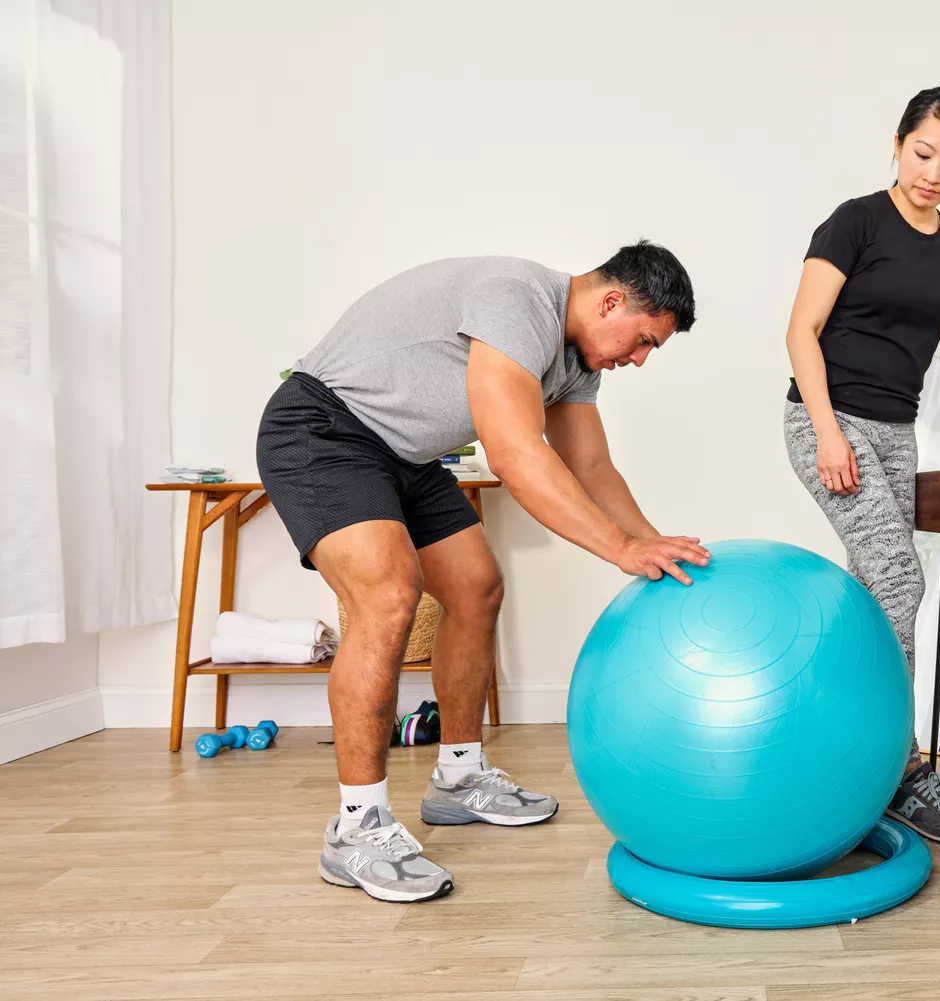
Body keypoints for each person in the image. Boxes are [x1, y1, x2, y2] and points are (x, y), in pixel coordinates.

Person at [257, 242, 711, 902]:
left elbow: (590, 469)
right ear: (611, 301)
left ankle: (459, 777)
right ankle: (356, 827)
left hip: (402, 454)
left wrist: (652, 544)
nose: (638, 359)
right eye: (643, 341)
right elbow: (515, 454)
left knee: (477, 585)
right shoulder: (519, 298)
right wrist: (618, 548)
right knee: (390, 594)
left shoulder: (575, 362)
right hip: (323, 428)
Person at [782, 86, 940, 845]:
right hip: (827, 418)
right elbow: (800, 331)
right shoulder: (856, 221)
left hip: (896, 432)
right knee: (901, 577)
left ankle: (839, 745)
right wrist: (826, 434)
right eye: (922, 154)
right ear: (898, 143)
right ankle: (901, 770)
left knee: (869, 591)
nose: (933, 173)